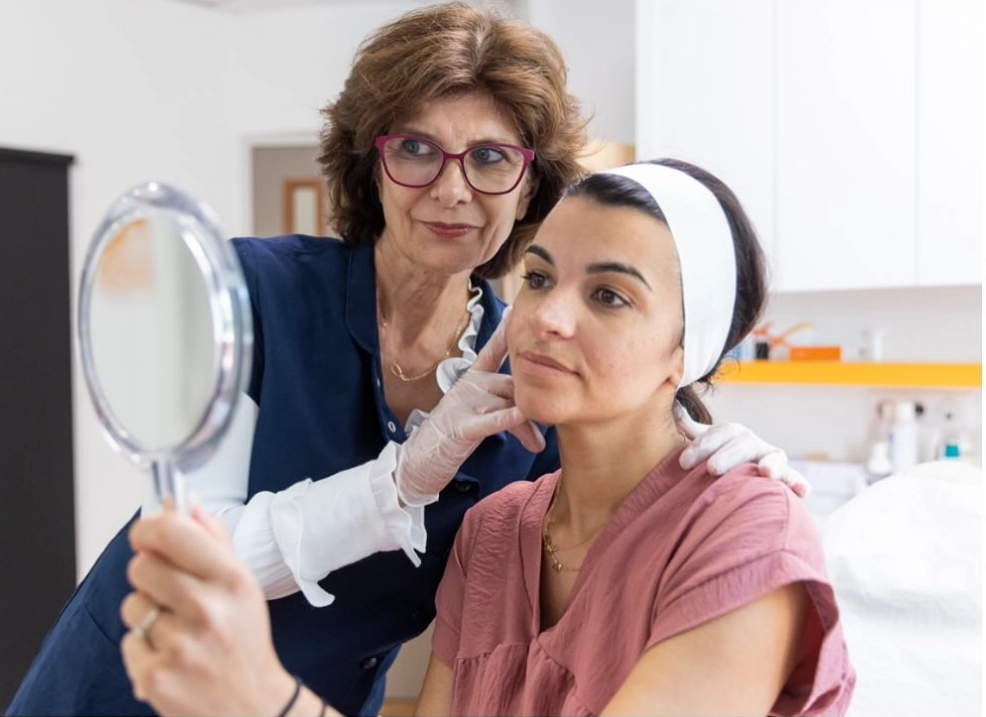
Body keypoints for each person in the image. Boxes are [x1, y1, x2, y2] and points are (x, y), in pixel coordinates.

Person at [9, 5, 805, 716]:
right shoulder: (250, 293)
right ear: (372, 164)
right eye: (417, 148)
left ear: (530, 187)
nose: (452, 190)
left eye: (492, 158)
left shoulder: (529, 369)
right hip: (142, 682)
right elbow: (198, 546)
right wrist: (399, 480)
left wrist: (723, 455)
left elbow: (631, 437)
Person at [118, 159, 853, 717]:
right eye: (538, 277)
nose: (547, 317)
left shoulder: (746, 536)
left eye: (609, 295)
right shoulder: (494, 532)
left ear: (687, 352)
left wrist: (269, 699)